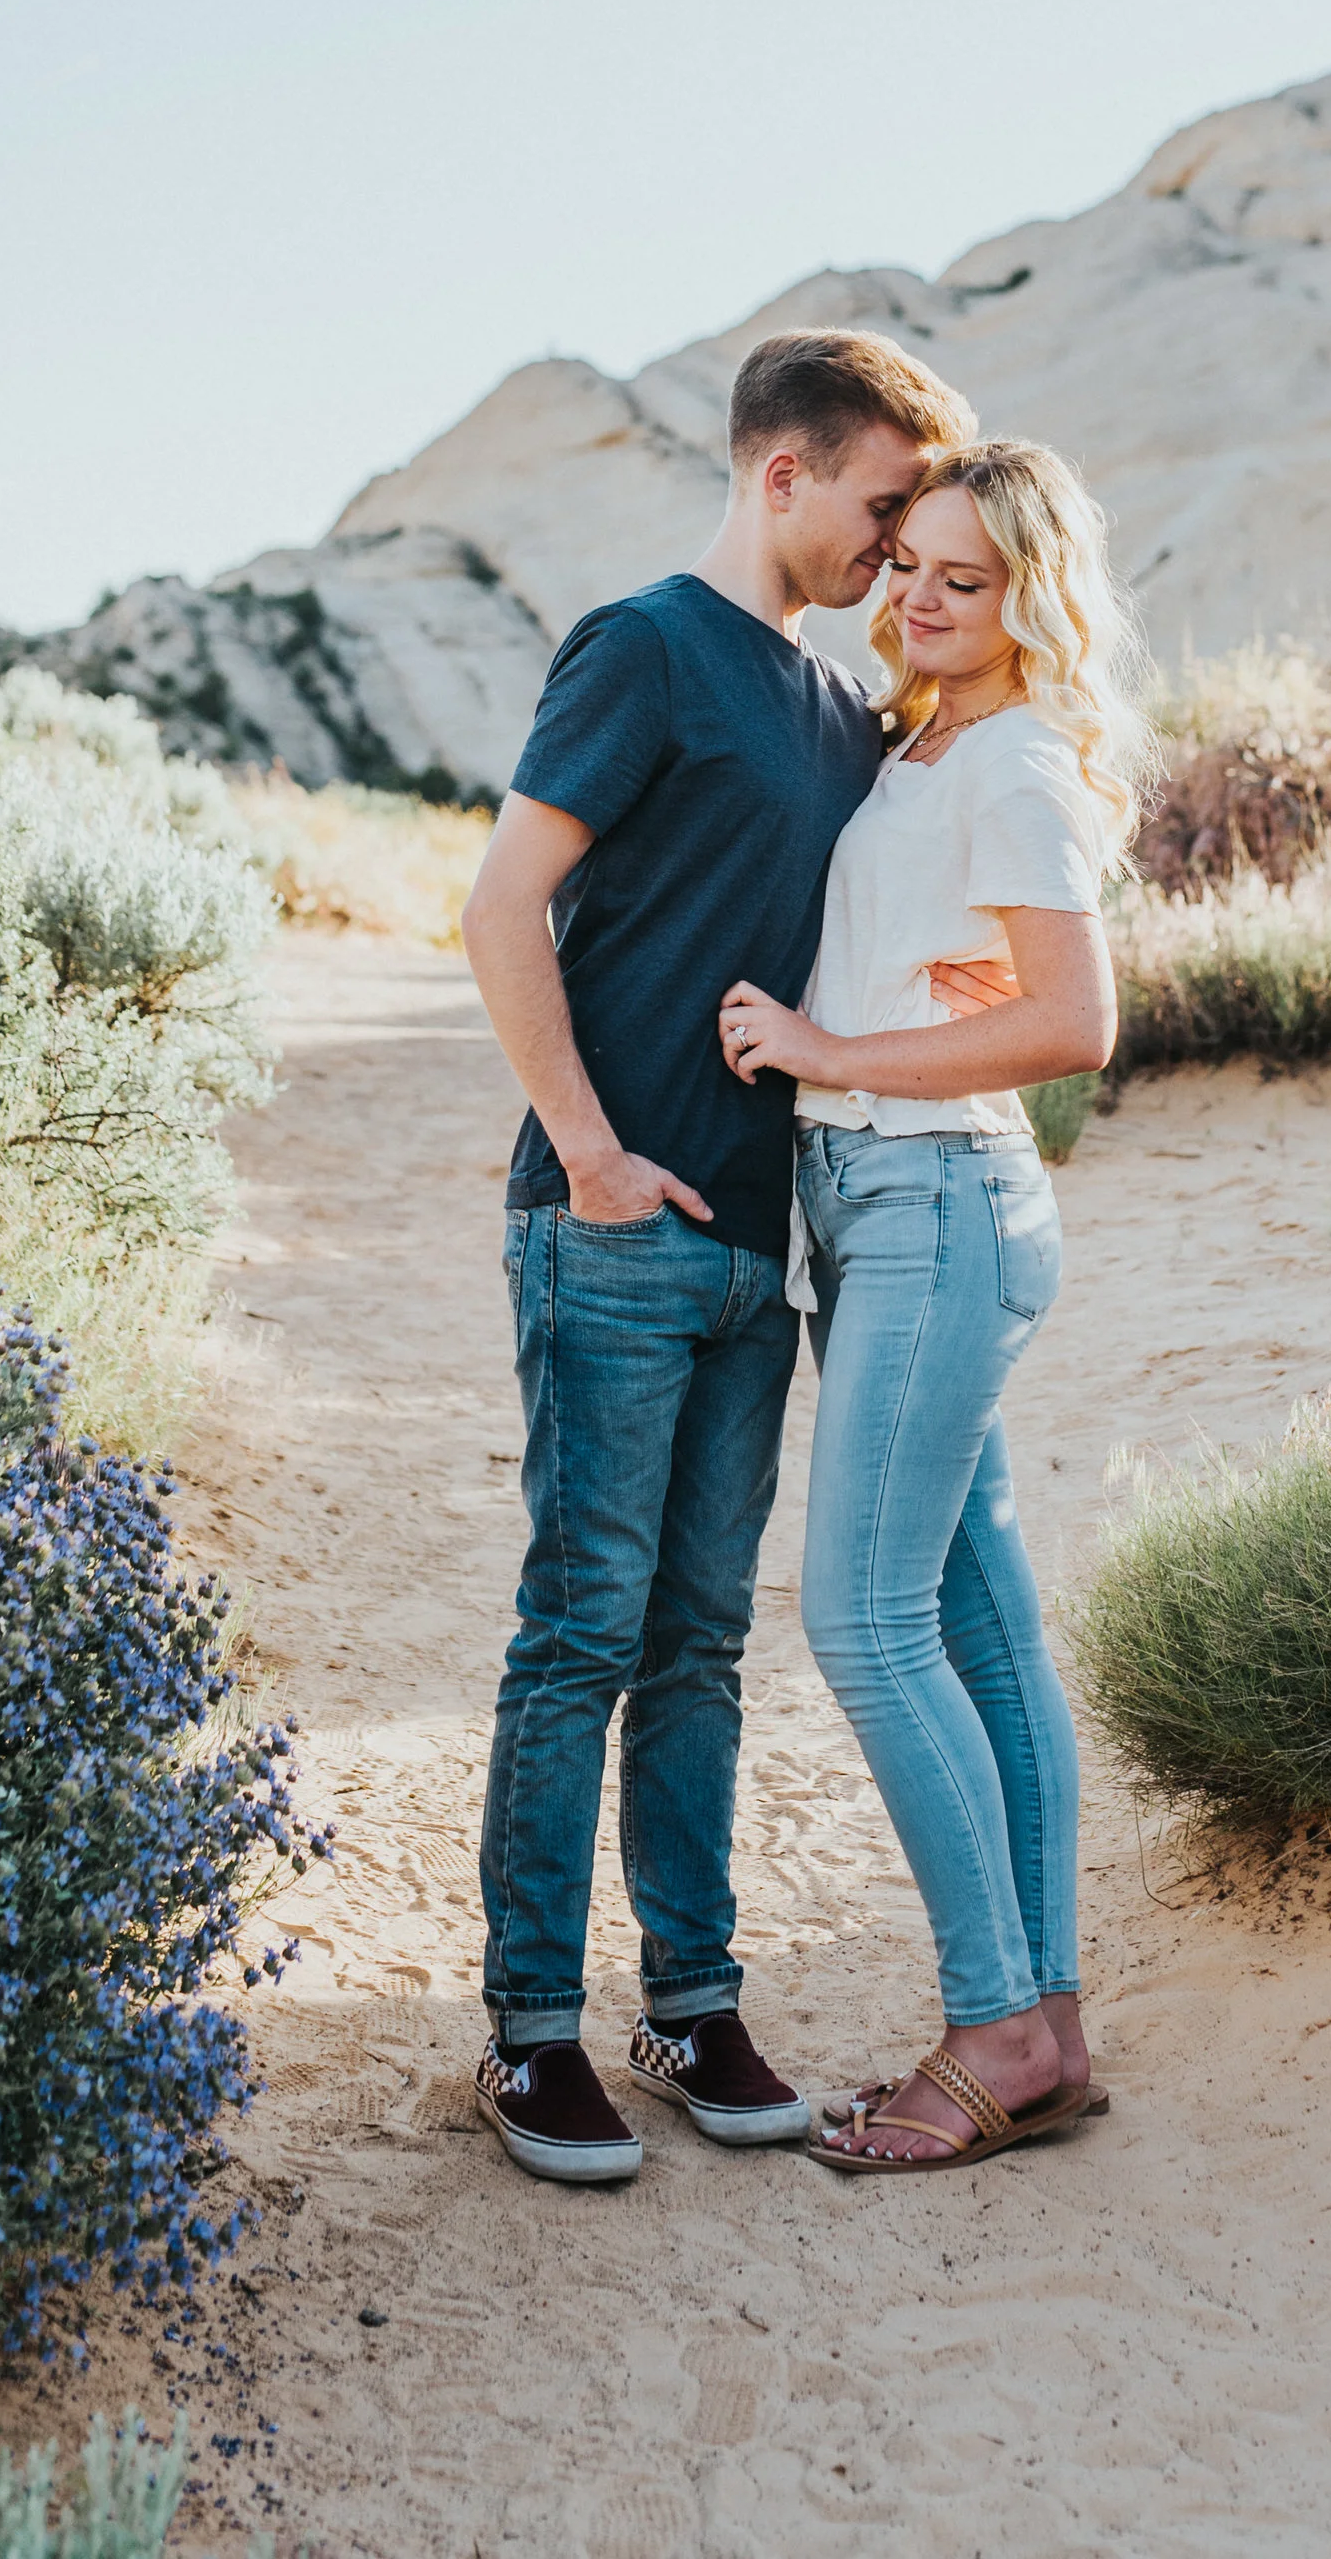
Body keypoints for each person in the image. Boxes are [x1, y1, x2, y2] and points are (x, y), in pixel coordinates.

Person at [460, 325, 974, 2185]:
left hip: (763, 1259)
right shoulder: (645, 647)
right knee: (582, 1626)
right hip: (609, 1228)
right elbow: (502, 902)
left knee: (695, 1645)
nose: (898, 545)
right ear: (785, 474)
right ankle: (531, 2032)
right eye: (885, 502)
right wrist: (592, 1154)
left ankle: (689, 2005)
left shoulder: (844, 711)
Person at [717, 438, 1151, 2170]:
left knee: (864, 1621)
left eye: (964, 582)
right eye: (911, 564)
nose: (918, 596)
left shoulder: (1022, 756)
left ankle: (990, 2032)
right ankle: (1048, 2027)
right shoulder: (930, 739)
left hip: (934, 1200)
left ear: (1029, 600)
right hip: (888, 1199)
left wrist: (832, 1051)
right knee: (978, 1627)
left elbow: (1074, 1024)